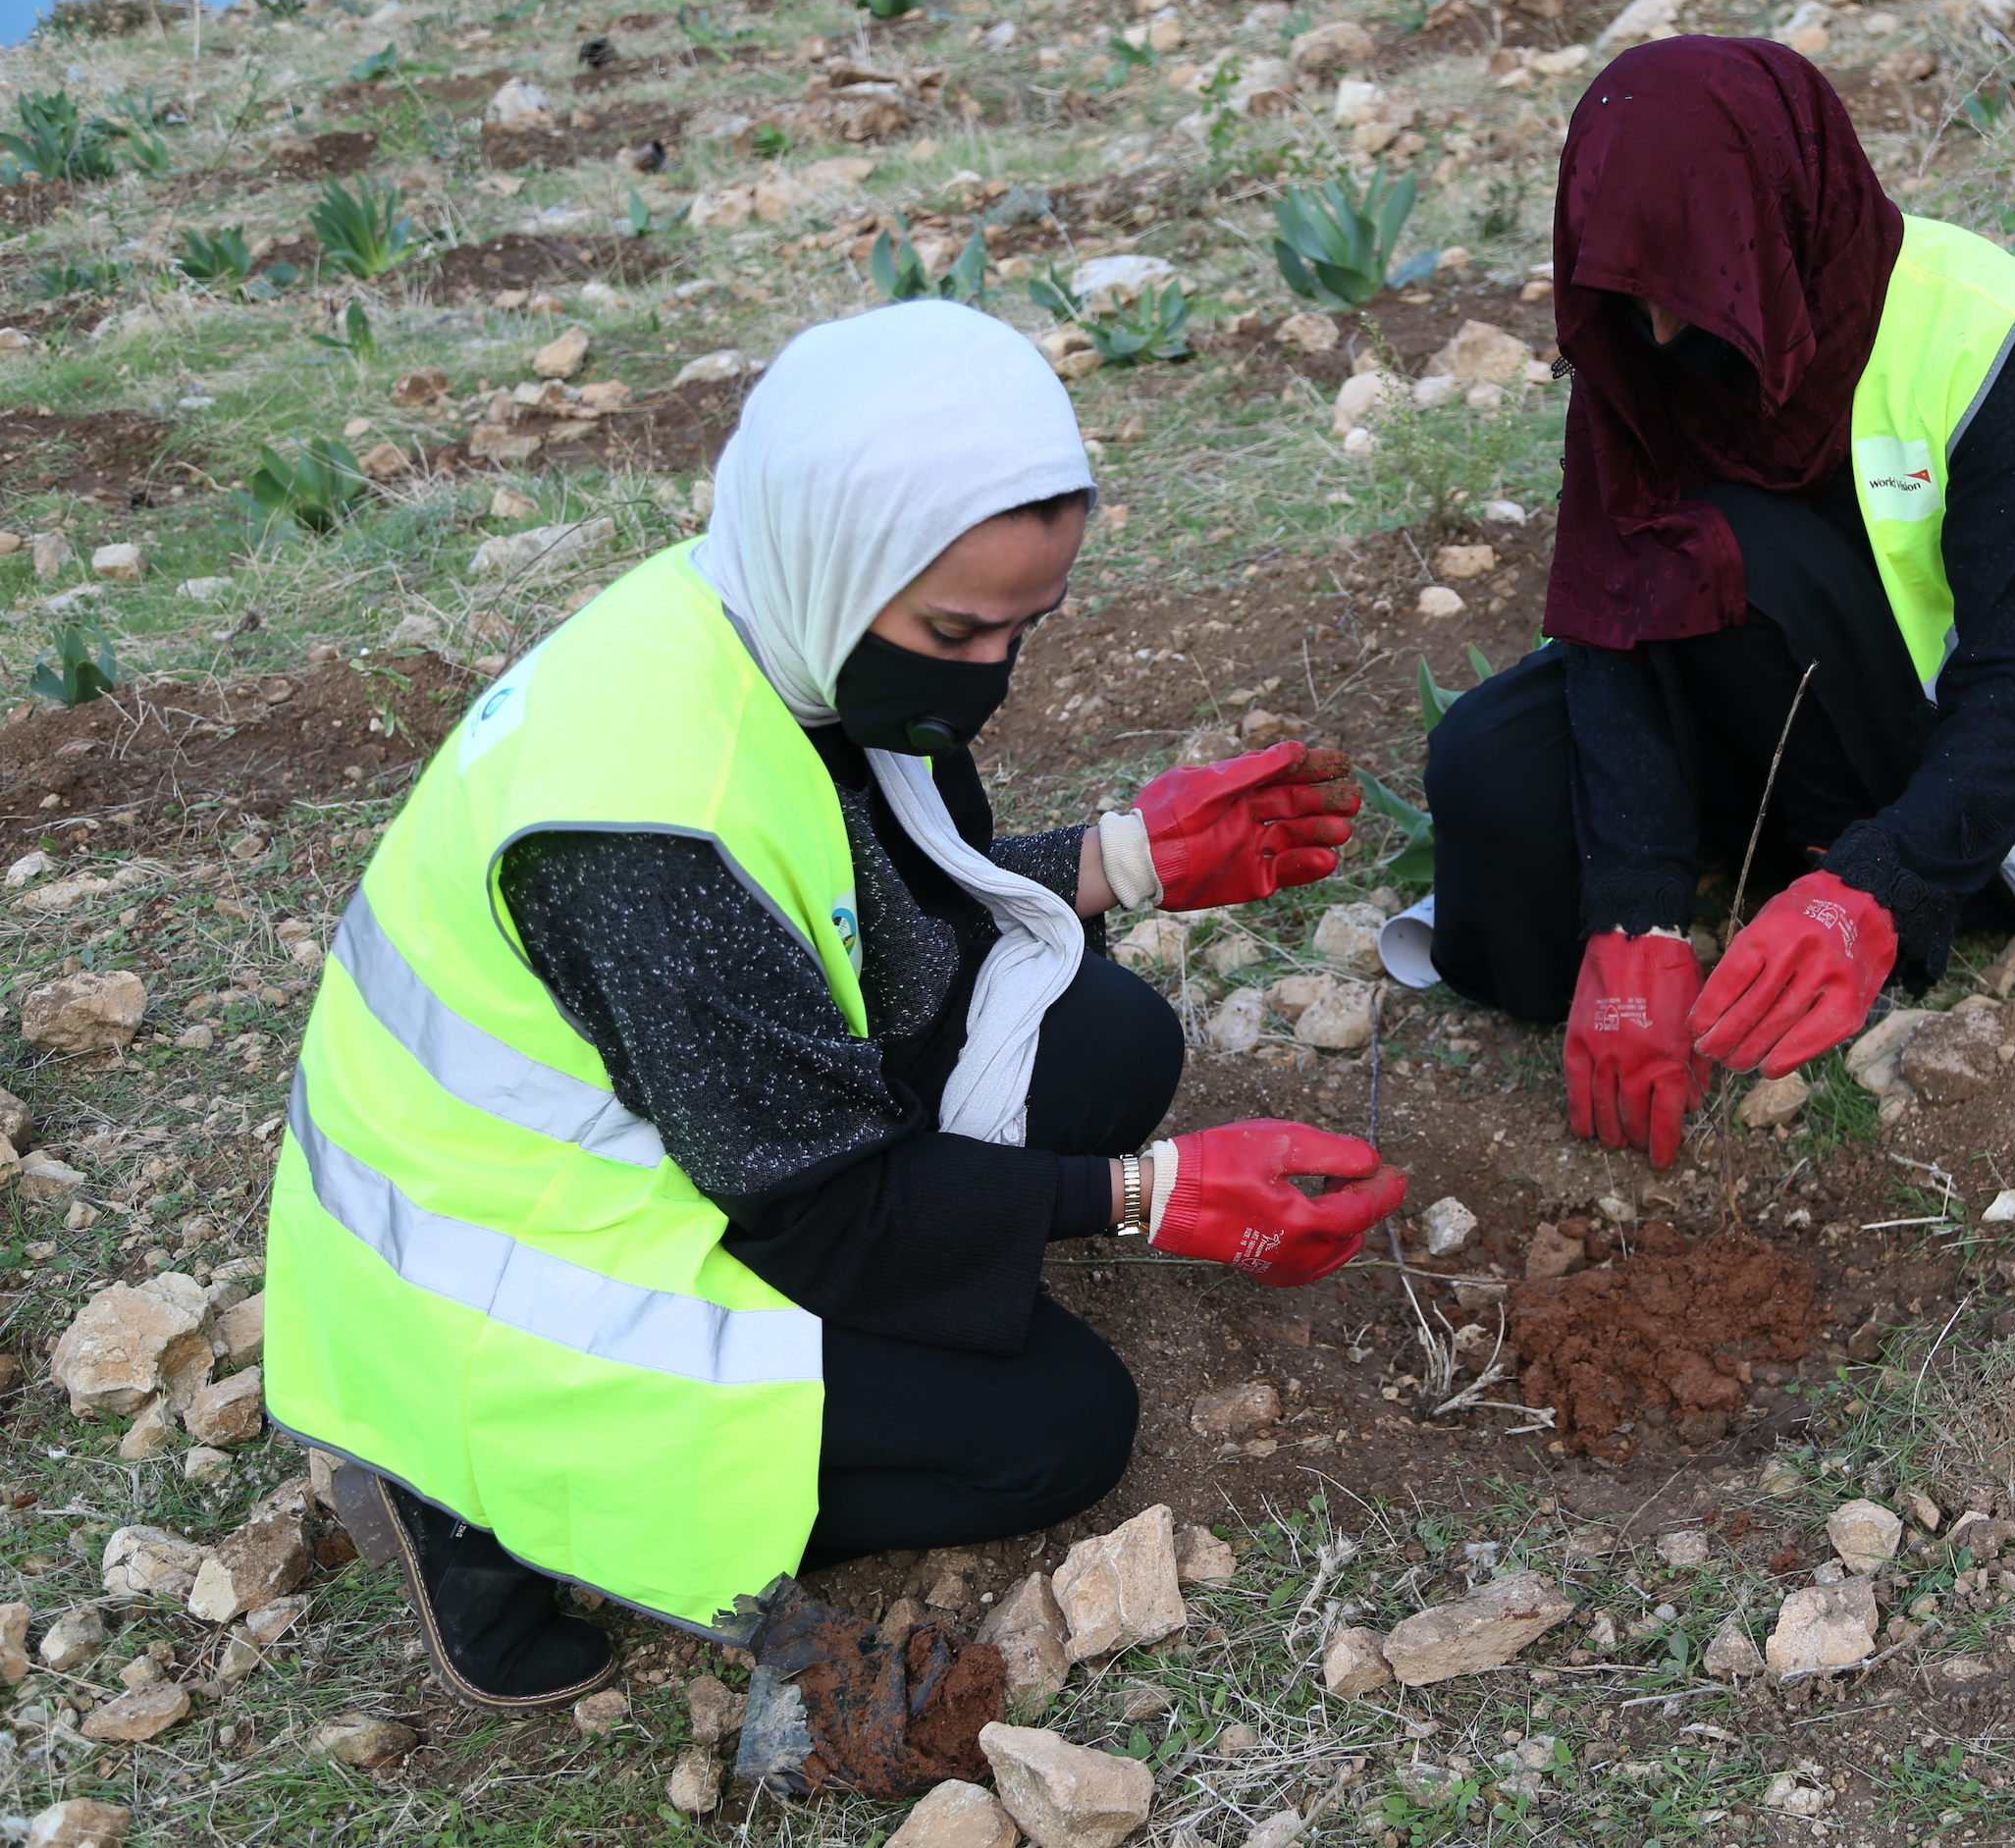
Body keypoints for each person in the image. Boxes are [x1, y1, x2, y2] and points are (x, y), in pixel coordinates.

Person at [262, 301, 1406, 1714]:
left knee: (1113, 1037)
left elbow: (855, 918)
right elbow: (818, 1210)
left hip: (703, 1127)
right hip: (524, 1278)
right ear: (840, 551)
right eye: (957, 628)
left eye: (1023, 627)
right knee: (1054, 1432)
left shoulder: (766, 621)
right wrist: (1146, 1198)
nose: (989, 672)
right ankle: (479, 1499)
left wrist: (1125, 861)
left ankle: (892, 1332)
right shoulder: (646, 836)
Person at [1425, 36, 2015, 1171]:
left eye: (1695, 293)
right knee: (1489, 769)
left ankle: (1821, 866)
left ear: (1773, 226)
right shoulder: (1638, 335)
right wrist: (1630, 905)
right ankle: (1746, 868)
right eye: (1638, 299)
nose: (1666, 338)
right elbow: (1615, 607)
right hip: (1763, 694)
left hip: (1974, 780)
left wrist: (1880, 886)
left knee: (1737, 548)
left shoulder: (1981, 333)